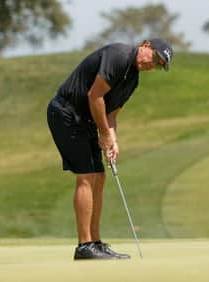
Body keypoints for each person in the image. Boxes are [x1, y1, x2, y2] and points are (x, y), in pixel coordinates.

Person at [47, 38, 173, 260]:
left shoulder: (133, 80)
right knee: (86, 176)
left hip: (86, 120)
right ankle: (84, 246)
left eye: (157, 65)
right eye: (153, 58)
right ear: (145, 45)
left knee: (100, 176)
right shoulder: (119, 55)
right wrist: (104, 133)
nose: (151, 65)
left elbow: (111, 113)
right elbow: (94, 95)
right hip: (65, 113)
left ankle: (95, 243)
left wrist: (112, 140)